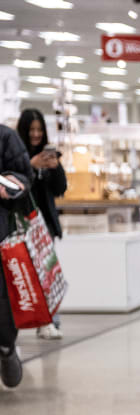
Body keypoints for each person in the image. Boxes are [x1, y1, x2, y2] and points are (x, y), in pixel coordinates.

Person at [17, 109, 67, 340]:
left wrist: (54, 168)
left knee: (48, 274)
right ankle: (17, 325)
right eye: (32, 130)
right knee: (22, 276)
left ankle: (49, 320)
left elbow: (60, 189)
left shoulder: (49, 155)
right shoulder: (16, 155)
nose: (36, 134)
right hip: (20, 225)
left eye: (39, 130)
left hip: (45, 225)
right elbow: (12, 184)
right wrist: (31, 165)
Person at [0, 124, 31, 389]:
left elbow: (22, 175)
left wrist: (8, 186)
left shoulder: (5, 137)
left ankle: (6, 347)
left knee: (2, 304)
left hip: (1, 237)